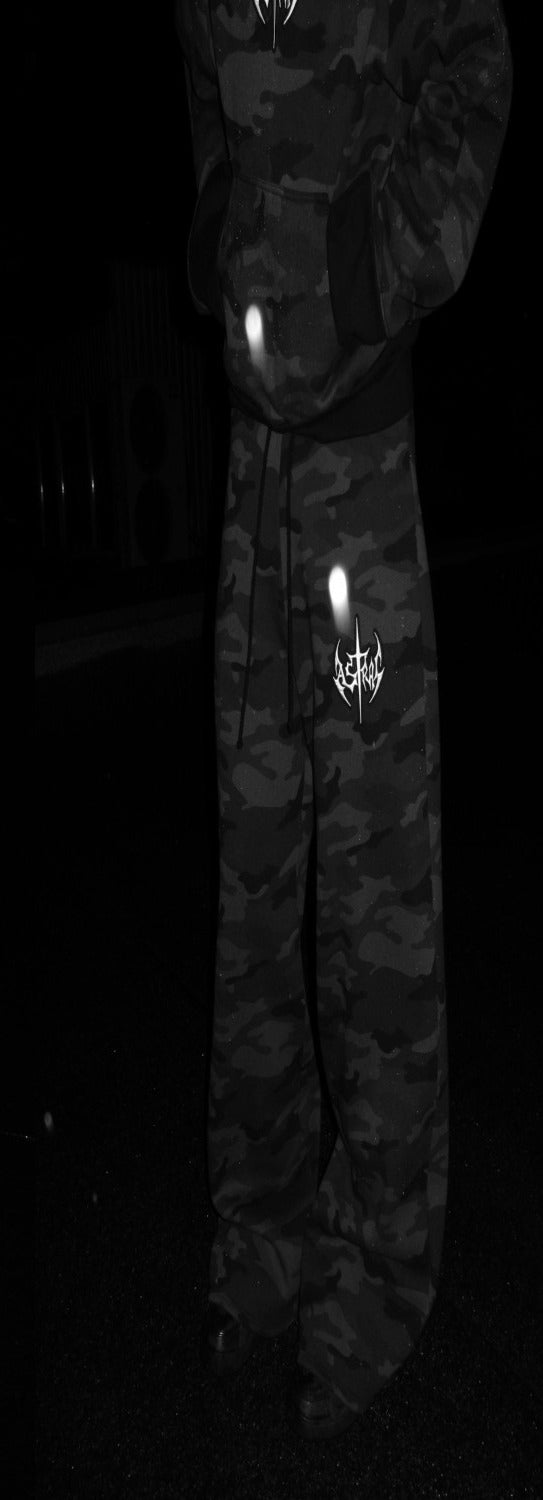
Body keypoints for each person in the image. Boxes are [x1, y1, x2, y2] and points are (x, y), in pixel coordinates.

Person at [175, 0, 512, 1442]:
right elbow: (209, 89)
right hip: (254, 479)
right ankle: (260, 1237)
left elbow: (476, 69)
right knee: (256, 876)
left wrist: (371, 266)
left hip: (355, 499)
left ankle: (377, 1274)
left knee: (373, 886)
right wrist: (220, 232)